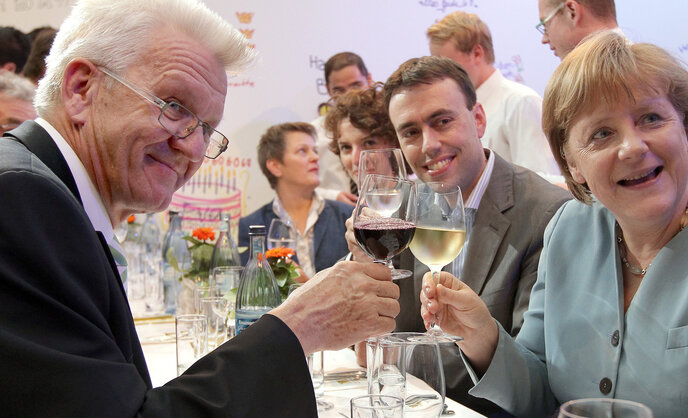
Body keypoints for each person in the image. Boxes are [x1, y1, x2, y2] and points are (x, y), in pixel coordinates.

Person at [0, 0, 399, 415]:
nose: (191, 147)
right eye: (174, 107)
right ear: (81, 88)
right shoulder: (22, 198)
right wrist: (300, 326)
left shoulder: (44, 189)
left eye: (206, 128)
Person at [420, 32, 688, 417]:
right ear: (573, 165)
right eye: (601, 133)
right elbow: (542, 390)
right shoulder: (568, 228)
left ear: (687, 129)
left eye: (651, 118)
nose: (633, 146)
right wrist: (482, 338)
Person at [347, 55, 572, 415]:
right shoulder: (399, 212)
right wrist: (364, 267)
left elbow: (532, 372)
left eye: (443, 121)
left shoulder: (546, 214)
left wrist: (388, 353)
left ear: (479, 119)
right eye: (410, 132)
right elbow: (358, 335)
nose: (429, 144)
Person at [427, 11, 561, 181]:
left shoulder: (520, 102)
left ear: (477, 53)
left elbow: (542, 180)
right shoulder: (454, 109)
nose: (441, 74)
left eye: (448, 63)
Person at [238, 122, 353, 279]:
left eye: (314, 151)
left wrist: (307, 287)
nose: (315, 157)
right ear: (275, 166)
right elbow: (251, 292)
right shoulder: (252, 226)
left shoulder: (347, 216)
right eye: (302, 151)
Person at [311, 52, 374, 206]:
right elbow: (297, 186)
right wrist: (332, 196)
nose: (348, 96)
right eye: (339, 90)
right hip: (333, 215)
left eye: (356, 85)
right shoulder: (314, 132)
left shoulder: (388, 120)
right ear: (327, 89)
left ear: (369, 80)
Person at [323, 83, 401, 191]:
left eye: (369, 143)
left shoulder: (420, 202)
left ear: (392, 142)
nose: (356, 160)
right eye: (346, 147)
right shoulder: (348, 206)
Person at [536, 0, 619, 59]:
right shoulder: (629, 68)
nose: (544, 39)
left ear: (572, 12)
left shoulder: (595, 80)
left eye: (545, 25)